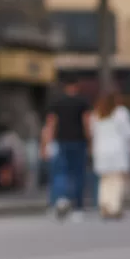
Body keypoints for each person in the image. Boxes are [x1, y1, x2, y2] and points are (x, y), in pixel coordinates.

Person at [41, 79, 91, 221]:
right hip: (78, 141)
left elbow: (51, 123)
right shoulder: (82, 102)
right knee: (78, 174)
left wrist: (47, 143)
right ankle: (78, 207)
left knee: (61, 172)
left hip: (61, 141)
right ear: (76, 87)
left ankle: (60, 199)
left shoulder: (57, 102)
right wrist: (90, 141)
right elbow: (86, 122)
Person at [90, 92, 130, 219]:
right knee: (116, 180)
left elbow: (92, 132)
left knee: (105, 180)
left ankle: (104, 203)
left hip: (101, 151)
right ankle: (114, 206)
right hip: (117, 151)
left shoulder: (97, 113)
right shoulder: (121, 113)